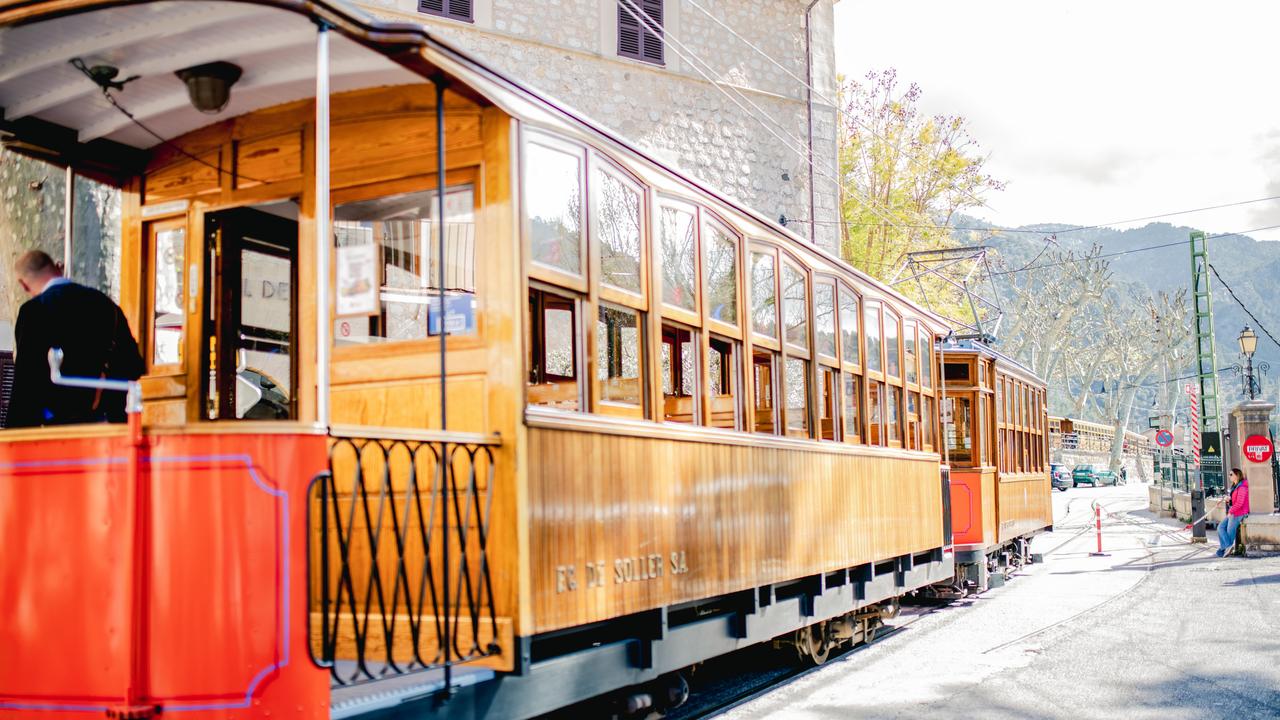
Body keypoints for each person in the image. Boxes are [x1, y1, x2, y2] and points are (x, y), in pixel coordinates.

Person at [5, 250, 144, 427]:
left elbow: (27, 378)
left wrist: (15, 435)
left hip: (59, 426)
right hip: (107, 424)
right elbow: (134, 365)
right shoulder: (104, 304)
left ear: (23, 285)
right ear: (58, 267)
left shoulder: (35, 311)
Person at [1216, 468, 1250, 558]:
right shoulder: (1235, 486)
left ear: (1237, 475)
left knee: (1229, 531)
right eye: (1229, 474)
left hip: (1239, 512)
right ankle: (1226, 547)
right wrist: (1228, 500)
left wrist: (1231, 511)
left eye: (1231, 474)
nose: (1229, 476)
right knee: (1220, 527)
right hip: (1234, 511)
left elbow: (1240, 503)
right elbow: (1234, 501)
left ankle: (1227, 549)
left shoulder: (1242, 486)